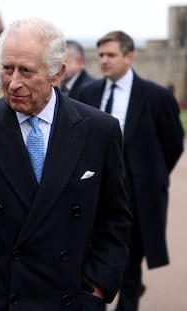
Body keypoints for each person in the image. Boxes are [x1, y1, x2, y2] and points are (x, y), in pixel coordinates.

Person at [0, 18, 132, 311]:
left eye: (26, 71)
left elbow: (115, 219)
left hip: (69, 298)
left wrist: (97, 287)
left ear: (57, 73)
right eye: (7, 68)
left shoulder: (99, 130)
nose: (13, 83)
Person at [78, 31, 185, 311]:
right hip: (92, 195)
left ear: (129, 56)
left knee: (130, 265)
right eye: (100, 55)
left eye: (111, 55)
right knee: (90, 260)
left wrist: (152, 175)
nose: (104, 61)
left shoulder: (157, 96)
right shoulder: (87, 93)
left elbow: (173, 145)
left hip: (136, 200)